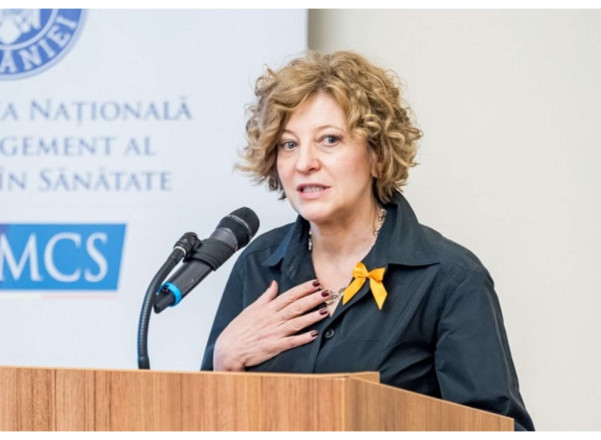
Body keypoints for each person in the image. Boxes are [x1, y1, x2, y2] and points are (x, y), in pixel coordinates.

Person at [200, 51, 534, 431]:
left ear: (377, 154)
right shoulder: (258, 265)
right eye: (288, 144)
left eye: (329, 139)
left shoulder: (450, 279)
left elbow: (501, 430)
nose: (304, 162)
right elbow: (205, 425)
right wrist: (224, 361)